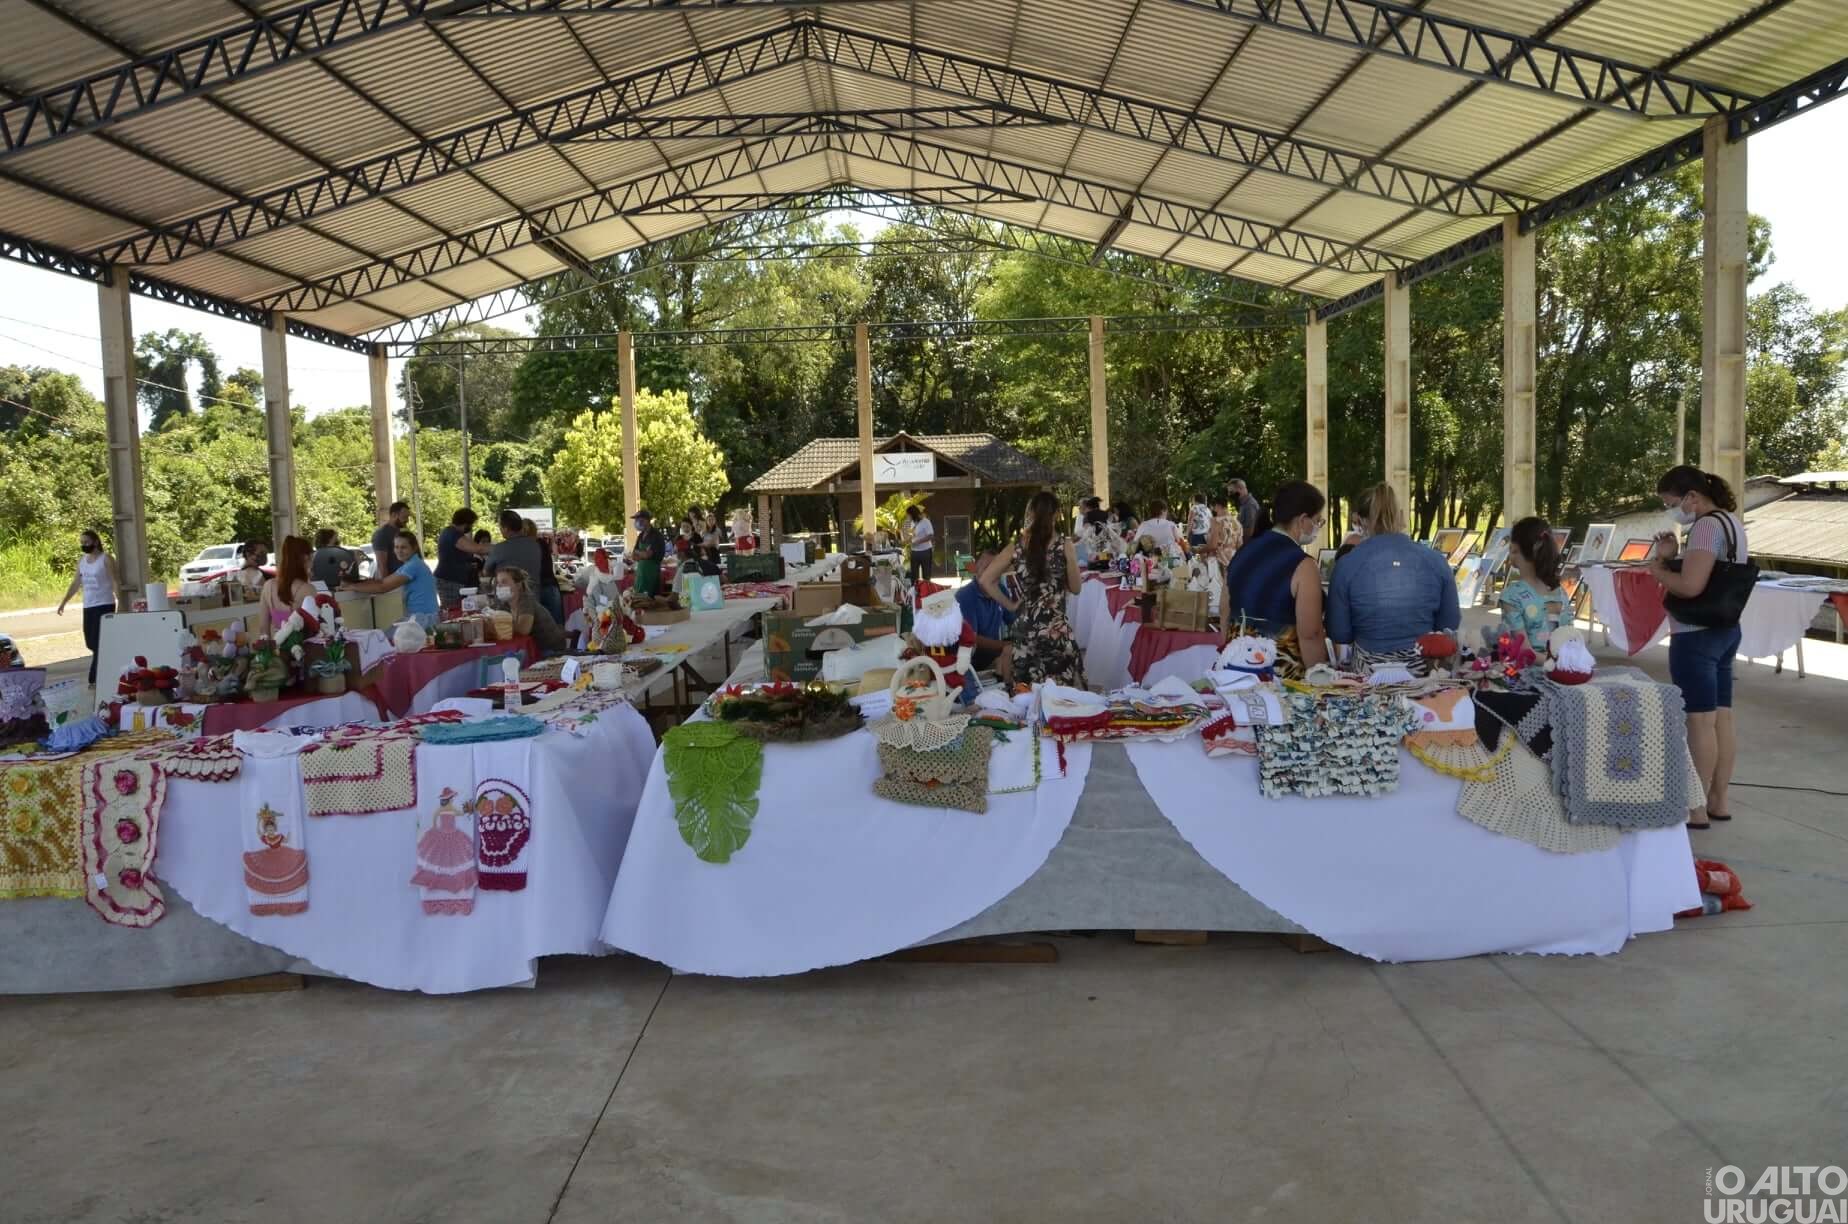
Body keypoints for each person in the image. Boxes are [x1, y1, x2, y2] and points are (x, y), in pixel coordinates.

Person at [1649, 465, 1749, 829]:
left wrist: (1659, 568)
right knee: (1722, 716)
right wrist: (1673, 554)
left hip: (1696, 635)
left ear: (1691, 496)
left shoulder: (1705, 527)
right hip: (1725, 630)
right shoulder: (1731, 523)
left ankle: (1695, 808)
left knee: (1699, 720)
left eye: (1671, 502)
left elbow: (1690, 586)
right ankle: (1718, 799)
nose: (1673, 511)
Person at [1324, 483, 1459, 666]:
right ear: (1401, 517)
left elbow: (1339, 632)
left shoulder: (1346, 565)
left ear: (1362, 521)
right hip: (1425, 668)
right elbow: (1449, 624)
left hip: (1368, 671)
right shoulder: (1436, 561)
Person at [979, 490, 1084, 687]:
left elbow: (986, 580)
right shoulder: (1065, 545)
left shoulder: (1016, 546)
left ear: (1031, 514)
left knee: (1026, 696)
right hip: (1055, 629)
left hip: (1025, 630)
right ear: (1056, 515)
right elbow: (1076, 588)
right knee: (1062, 699)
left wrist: (1010, 605)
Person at [1220, 480, 1328, 670]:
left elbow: (1224, 611)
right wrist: (1321, 677)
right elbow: (1311, 634)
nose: (1318, 526)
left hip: (1235, 672)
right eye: (1318, 520)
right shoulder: (1304, 565)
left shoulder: (1242, 553)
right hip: (1282, 679)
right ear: (1303, 520)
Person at [56, 528, 118, 685]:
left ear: (95, 542)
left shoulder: (106, 559)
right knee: (90, 642)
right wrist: (64, 601)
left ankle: (94, 677)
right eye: (82, 543)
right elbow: (76, 582)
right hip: (88, 605)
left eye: (86, 542)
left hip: (104, 603)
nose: (84, 545)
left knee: (98, 641)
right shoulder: (82, 561)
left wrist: (121, 602)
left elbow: (114, 581)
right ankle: (109, 668)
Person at [1498, 516, 1568, 652]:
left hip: (1527, 671)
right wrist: (1560, 664)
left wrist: (1551, 665)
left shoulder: (1511, 596)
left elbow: (1524, 652)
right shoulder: (1561, 592)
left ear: (1514, 550)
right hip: (1564, 668)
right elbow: (1572, 640)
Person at [344, 530, 438, 628]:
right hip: (420, 617)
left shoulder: (413, 566)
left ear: (414, 548)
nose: (399, 551)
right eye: (396, 547)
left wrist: (352, 586)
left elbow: (383, 587)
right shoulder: (410, 564)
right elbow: (382, 581)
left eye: (403, 547)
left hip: (425, 619)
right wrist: (355, 582)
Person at [955, 549, 1016, 686]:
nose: (990, 572)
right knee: (1009, 653)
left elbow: (1013, 620)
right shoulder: (965, 596)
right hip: (971, 660)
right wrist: (1006, 646)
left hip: (993, 655)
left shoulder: (1001, 589)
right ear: (976, 569)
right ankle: (1008, 690)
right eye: (985, 567)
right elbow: (972, 638)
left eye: (994, 568)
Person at [491, 566, 568, 655]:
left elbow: (523, 630)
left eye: (504, 582)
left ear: (518, 585)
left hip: (551, 651)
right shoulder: (504, 605)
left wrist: (500, 623)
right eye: (497, 583)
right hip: (531, 649)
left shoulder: (526, 600)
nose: (499, 586)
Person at [259, 536, 316, 632]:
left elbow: (263, 628)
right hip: (304, 645)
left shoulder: (268, 585)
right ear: (306, 557)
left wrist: (266, 646)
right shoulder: (307, 589)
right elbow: (315, 627)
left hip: (279, 644)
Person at [434, 508, 488, 609]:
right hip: (450, 581)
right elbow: (477, 549)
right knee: (453, 610)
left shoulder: (451, 533)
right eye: (471, 524)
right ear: (465, 522)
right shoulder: (453, 534)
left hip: (453, 580)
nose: (471, 527)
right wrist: (499, 548)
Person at [482, 509, 543, 586]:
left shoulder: (499, 548)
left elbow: (486, 572)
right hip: (533, 595)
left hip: (509, 595)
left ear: (506, 528)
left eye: (500, 527)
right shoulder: (535, 545)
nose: (500, 530)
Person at [522, 517, 566, 624]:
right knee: (556, 624)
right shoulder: (541, 543)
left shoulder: (524, 547)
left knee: (537, 625)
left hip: (534, 588)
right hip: (550, 586)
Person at [630, 510, 667, 598]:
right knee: (639, 600)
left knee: (650, 601)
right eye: (636, 520)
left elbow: (648, 555)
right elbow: (633, 555)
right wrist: (641, 553)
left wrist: (640, 553)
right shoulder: (640, 536)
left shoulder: (656, 535)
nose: (637, 523)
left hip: (652, 575)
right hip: (640, 574)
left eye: (639, 520)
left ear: (647, 520)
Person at [371, 501, 410, 577]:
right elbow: (382, 566)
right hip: (394, 582)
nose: (407, 520)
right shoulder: (381, 534)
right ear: (393, 515)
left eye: (407, 517)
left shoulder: (402, 531)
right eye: (404, 517)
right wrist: (387, 586)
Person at [1203, 495, 1241, 566]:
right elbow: (1239, 546)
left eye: (1212, 507)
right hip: (1233, 560)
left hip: (1218, 561)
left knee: (1188, 571)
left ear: (1217, 506)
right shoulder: (1237, 523)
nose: (1212, 510)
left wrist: (1198, 550)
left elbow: (1213, 546)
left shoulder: (1216, 521)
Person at [906, 504, 935, 583]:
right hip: (914, 551)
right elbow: (914, 535)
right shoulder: (913, 523)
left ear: (913, 514)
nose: (908, 517)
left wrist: (918, 541)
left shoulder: (926, 522)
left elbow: (930, 535)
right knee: (914, 576)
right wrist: (907, 541)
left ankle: (927, 592)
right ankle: (915, 592)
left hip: (925, 551)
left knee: (926, 575)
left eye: (909, 515)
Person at [1229, 478, 1260, 543]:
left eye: (1231, 492)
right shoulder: (1244, 504)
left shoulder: (1250, 505)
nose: (1229, 495)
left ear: (1240, 489)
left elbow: (1250, 532)